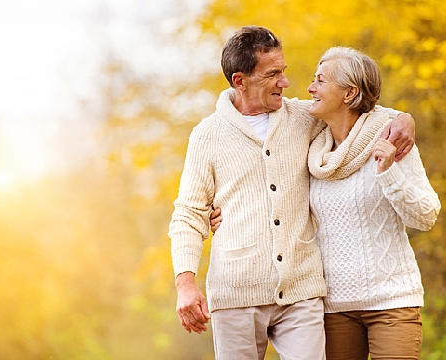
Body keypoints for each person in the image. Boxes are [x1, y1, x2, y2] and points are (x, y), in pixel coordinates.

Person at [170, 26, 415, 360]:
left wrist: (404, 119)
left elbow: (359, 114)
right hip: (235, 292)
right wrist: (186, 283)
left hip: (302, 293)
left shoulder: (304, 117)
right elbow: (189, 213)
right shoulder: (207, 136)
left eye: (282, 71)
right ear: (240, 81)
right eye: (272, 74)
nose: (284, 82)